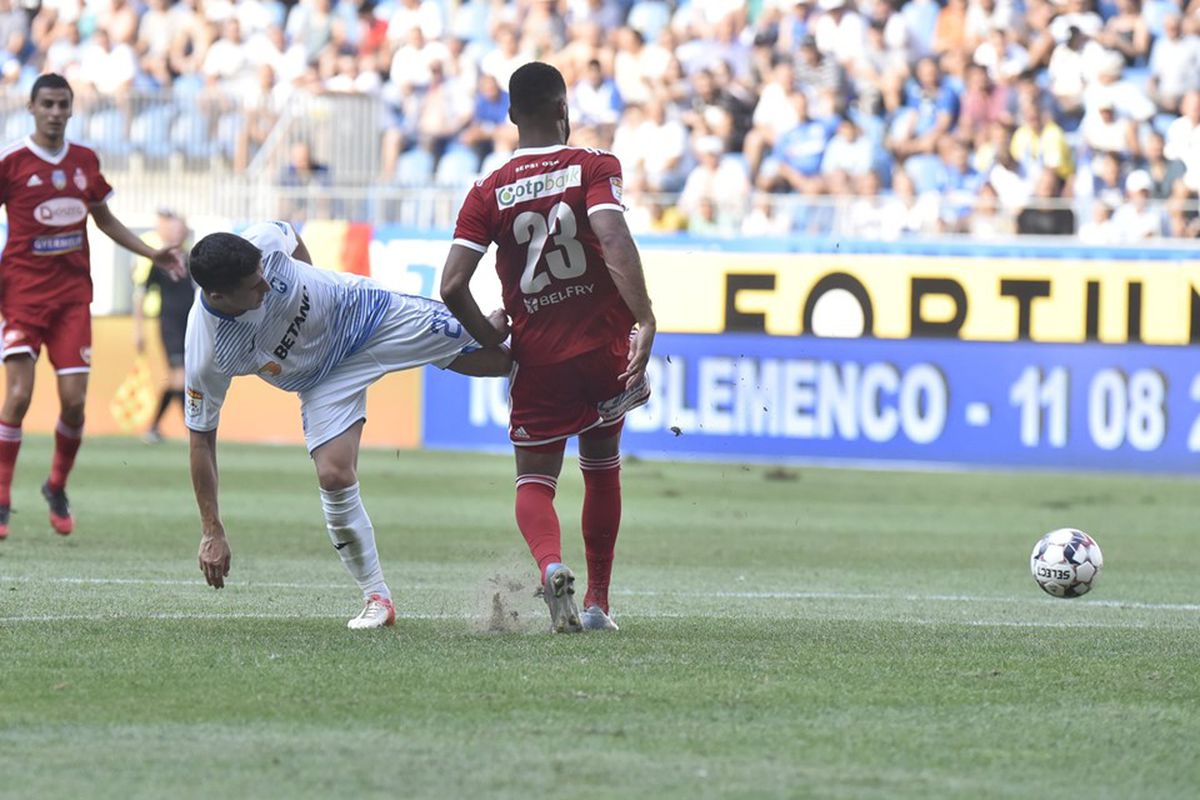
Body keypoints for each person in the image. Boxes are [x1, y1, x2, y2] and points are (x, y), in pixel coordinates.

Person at [187, 220, 511, 628]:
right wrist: (212, 529)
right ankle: (377, 598)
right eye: (253, 287)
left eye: (264, 276)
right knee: (333, 475)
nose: (267, 287)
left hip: (369, 314)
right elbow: (201, 441)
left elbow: (290, 235)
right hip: (323, 380)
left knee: (497, 351)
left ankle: (589, 383)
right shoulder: (207, 350)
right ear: (218, 295)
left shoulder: (263, 244)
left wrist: (310, 275)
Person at [440, 62, 655, 634]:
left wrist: (489, 337)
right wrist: (645, 318)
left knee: (535, 481)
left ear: (511, 116)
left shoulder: (486, 191)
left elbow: (451, 286)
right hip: (603, 349)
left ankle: (551, 564)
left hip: (537, 358)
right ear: (564, 111)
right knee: (603, 467)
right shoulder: (593, 166)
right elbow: (611, 237)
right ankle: (598, 604)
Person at [0, 73, 183, 540]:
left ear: (72, 108)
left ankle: (56, 486)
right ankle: (1, 496)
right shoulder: (12, 162)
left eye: (64, 104)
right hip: (21, 294)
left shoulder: (85, 161)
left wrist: (151, 252)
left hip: (72, 298)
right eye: (48, 104)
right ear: (32, 107)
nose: (56, 112)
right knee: (18, 396)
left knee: (75, 403)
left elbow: (104, 220)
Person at [132, 208, 194, 444]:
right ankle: (193, 429)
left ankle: (154, 426)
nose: (177, 232)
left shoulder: (193, 259)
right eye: (173, 228)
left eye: (181, 228)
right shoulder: (159, 262)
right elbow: (140, 294)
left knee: (180, 379)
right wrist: (137, 329)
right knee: (180, 377)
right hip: (169, 326)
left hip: (191, 327)